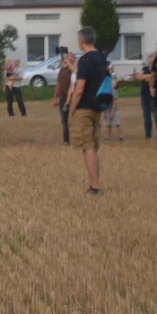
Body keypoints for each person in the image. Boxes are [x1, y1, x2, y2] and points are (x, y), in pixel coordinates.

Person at [69, 27, 105, 196]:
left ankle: (95, 186)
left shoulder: (84, 60)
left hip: (84, 108)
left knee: (87, 147)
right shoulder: (102, 57)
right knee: (93, 147)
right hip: (98, 106)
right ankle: (95, 181)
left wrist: (72, 108)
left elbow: (79, 88)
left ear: (81, 41)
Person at [133, 52, 157, 142]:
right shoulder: (146, 68)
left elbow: (155, 77)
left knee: (156, 115)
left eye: (152, 56)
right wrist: (148, 77)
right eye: (149, 56)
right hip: (144, 95)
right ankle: (148, 135)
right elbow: (138, 76)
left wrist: (146, 77)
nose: (150, 58)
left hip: (154, 95)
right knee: (146, 115)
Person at [53, 52, 74, 145]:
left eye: (69, 58)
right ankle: (66, 140)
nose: (67, 59)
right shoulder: (61, 71)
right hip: (62, 98)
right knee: (64, 121)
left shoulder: (75, 70)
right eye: (66, 58)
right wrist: (55, 97)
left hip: (73, 98)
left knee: (76, 119)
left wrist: (70, 65)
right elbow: (58, 84)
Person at [104, 66, 124, 141]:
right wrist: (104, 112)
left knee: (118, 123)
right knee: (108, 124)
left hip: (114, 109)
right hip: (107, 109)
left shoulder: (112, 90)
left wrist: (112, 112)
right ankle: (108, 136)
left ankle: (121, 136)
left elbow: (115, 101)